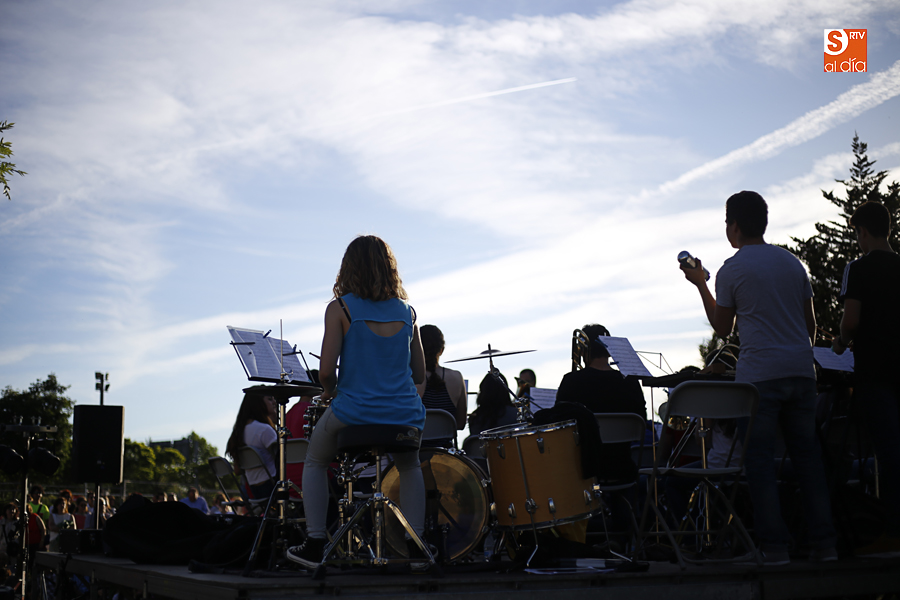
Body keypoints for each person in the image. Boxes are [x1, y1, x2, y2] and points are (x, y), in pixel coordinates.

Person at [681, 190, 836, 564]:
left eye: (726, 222)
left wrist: (701, 283)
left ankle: (775, 548)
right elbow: (810, 325)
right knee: (808, 460)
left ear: (734, 225)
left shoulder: (732, 269)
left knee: (760, 463)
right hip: (801, 372)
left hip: (759, 378)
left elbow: (722, 327)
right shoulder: (792, 263)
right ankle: (825, 545)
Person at [286, 235, 427, 570]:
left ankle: (316, 540)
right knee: (410, 466)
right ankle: (418, 546)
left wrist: (330, 391)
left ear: (348, 268)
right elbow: (419, 372)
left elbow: (325, 372)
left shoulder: (341, 308)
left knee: (315, 461)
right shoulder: (408, 312)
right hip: (403, 414)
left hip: (355, 411)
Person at [833, 200, 900, 553]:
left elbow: (852, 320)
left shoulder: (857, 269)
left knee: (888, 451)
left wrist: (840, 342)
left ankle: (893, 531)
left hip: (874, 372)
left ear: (861, 231)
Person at [226, 394, 278, 500]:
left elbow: (237, 471)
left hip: (253, 489)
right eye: (269, 399)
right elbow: (282, 458)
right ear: (259, 404)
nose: (274, 402)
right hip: (272, 486)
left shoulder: (239, 432)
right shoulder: (263, 429)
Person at [416, 325, 468, 429]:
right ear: (442, 350)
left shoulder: (412, 378)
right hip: (446, 445)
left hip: (417, 444)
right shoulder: (457, 377)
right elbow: (461, 424)